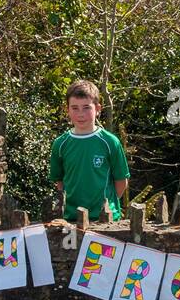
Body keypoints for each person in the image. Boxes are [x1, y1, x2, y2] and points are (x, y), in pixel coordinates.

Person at [49, 80, 129, 222]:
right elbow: (59, 182)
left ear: (98, 109)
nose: (80, 114)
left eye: (86, 107)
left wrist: (107, 206)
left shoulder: (110, 142)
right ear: (67, 109)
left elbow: (121, 181)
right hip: (71, 218)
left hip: (105, 220)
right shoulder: (60, 144)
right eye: (75, 108)